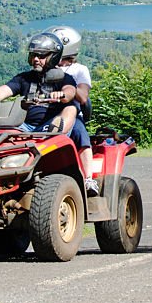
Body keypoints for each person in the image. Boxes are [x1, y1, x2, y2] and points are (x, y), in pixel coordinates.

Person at [0, 32, 99, 195]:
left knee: (72, 108)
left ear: (53, 56)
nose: (36, 59)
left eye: (41, 55)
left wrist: (63, 95)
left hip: (53, 125)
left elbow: (71, 91)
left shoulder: (64, 78)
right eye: (33, 55)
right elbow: (3, 91)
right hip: (25, 126)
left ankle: (86, 176)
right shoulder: (25, 78)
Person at [49, 25, 96, 189]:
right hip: (46, 112)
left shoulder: (79, 70)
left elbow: (83, 96)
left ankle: (89, 178)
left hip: (72, 112)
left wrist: (67, 87)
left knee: (79, 132)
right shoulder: (45, 68)